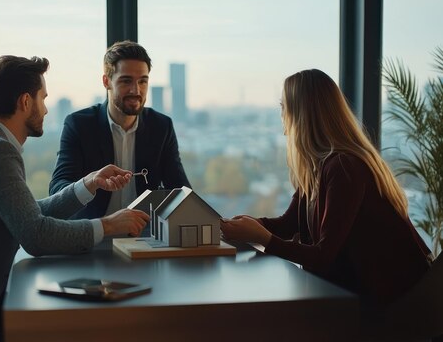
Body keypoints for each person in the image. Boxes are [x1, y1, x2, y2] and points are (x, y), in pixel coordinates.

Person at [0, 55, 149, 341]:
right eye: (43, 98)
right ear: (25, 102)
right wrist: (108, 225)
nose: (46, 109)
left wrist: (88, 184)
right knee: (74, 322)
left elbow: (27, 214)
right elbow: (36, 236)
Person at [220, 69, 432, 305]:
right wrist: (246, 227)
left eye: (284, 107)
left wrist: (264, 238)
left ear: (301, 114)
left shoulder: (343, 167)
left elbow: (323, 257)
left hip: (402, 305)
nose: (281, 115)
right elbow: (288, 225)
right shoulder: (319, 167)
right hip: (374, 293)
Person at [49, 40, 190, 225]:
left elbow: (180, 191)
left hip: (145, 237)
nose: (136, 90)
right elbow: (58, 190)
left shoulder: (161, 126)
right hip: (94, 236)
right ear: (106, 82)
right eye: (126, 81)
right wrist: (91, 182)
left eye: (142, 81)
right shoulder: (79, 125)